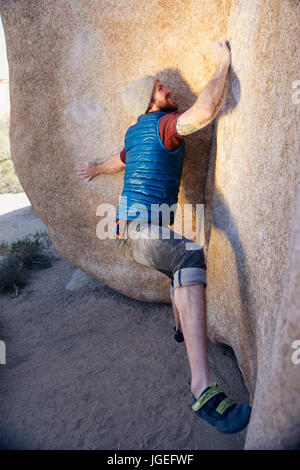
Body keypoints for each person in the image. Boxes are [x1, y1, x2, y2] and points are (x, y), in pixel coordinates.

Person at [77, 40, 251, 434]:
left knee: (174, 258)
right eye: (160, 88)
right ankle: (203, 389)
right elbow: (205, 111)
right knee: (189, 255)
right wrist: (223, 66)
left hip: (136, 230)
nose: (168, 90)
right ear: (149, 101)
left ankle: (178, 326)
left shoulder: (136, 132)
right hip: (138, 230)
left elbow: (116, 160)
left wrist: (94, 169)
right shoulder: (165, 125)